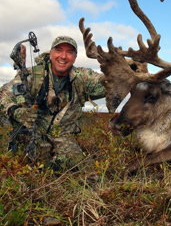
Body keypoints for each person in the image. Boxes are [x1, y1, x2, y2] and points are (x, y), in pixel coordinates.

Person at [0, 36, 105, 170]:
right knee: (26, 164)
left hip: (64, 137)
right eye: (59, 50)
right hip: (32, 134)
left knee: (75, 164)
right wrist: (15, 111)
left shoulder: (83, 77)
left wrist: (132, 65)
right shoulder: (33, 75)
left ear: (74, 58)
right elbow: (4, 94)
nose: (63, 56)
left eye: (69, 52)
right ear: (51, 54)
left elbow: (110, 82)